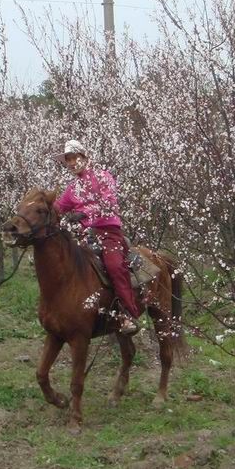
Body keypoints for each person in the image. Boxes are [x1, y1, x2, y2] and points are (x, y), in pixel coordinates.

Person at [54, 140, 141, 335]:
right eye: (67, 160)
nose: (71, 163)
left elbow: (109, 202)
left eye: (74, 158)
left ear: (84, 157)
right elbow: (59, 208)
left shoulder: (103, 177)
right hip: (82, 235)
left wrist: (84, 214)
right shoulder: (72, 188)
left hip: (107, 231)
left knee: (114, 265)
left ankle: (127, 313)